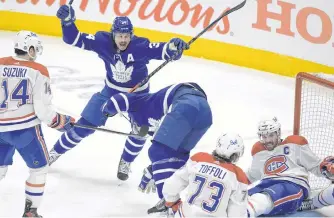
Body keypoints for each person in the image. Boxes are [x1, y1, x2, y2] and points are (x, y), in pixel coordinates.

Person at [48, 3, 189, 182]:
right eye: (119, 35)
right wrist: (67, 23)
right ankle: (54, 152)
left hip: (138, 97)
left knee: (141, 131)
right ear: (112, 34)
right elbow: (74, 39)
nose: (123, 40)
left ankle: (125, 162)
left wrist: (175, 47)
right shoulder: (102, 41)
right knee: (85, 125)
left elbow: (165, 51)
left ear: (131, 35)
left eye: (126, 36)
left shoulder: (141, 46)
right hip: (110, 93)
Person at [101, 82, 212, 212]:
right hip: (205, 114)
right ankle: (174, 207)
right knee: (177, 156)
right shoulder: (150, 124)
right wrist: (153, 168)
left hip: (186, 103)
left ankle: (169, 206)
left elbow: (120, 99)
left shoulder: (140, 104)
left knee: (157, 151)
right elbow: (170, 155)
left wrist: (106, 109)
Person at [0, 31, 74, 217]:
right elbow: (43, 111)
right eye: (35, 49)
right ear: (30, 48)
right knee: (39, 168)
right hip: (24, 131)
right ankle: (30, 213)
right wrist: (61, 121)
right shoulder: (38, 70)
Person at [247, 117, 334, 217]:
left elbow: (315, 165)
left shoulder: (294, 144)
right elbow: (251, 175)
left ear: (278, 133)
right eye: (264, 136)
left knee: (262, 199)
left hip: (292, 184)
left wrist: (326, 169)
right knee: (240, 199)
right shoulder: (259, 151)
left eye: (271, 135)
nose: (267, 140)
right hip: (265, 183)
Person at [162, 133, 248, 217]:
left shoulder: (198, 159)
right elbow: (237, 213)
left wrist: (173, 203)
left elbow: (171, 185)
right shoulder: (238, 175)